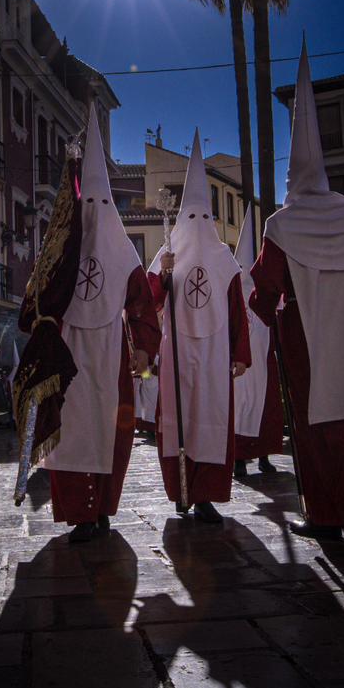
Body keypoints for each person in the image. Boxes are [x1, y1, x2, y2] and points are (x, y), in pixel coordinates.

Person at [249, 44, 344, 550]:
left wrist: (275, 309)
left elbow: (265, 291)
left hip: (306, 343)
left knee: (315, 430)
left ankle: (328, 514)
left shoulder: (281, 224)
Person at [34, 102, 159, 543]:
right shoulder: (62, 246)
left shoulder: (125, 252)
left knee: (111, 433)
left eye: (101, 200)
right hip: (69, 356)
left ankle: (103, 507)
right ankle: (80, 513)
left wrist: (143, 349)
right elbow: (41, 299)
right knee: (71, 435)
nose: (94, 208)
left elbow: (142, 305)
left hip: (109, 354)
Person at [148, 130, 250, 527]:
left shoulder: (224, 257)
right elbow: (150, 299)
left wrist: (240, 354)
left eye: (202, 215)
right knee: (179, 421)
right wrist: (164, 275)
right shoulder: (168, 251)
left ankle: (206, 495)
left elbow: (237, 308)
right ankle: (181, 492)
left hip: (213, 353)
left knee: (209, 422)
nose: (197, 222)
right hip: (176, 350)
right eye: (192, 215)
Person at [231, 205, 282, 480]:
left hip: (262, 358)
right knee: (239, 407)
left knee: (265, 407)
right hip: (240, 363)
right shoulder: (232, 294)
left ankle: (263, 455)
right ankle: (239, 458)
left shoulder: (264, 293)